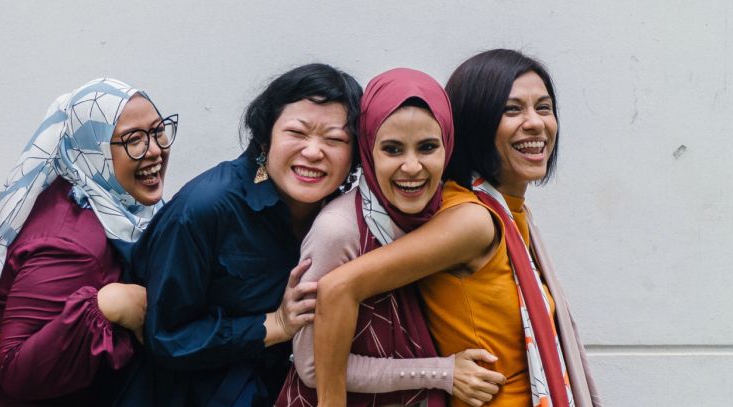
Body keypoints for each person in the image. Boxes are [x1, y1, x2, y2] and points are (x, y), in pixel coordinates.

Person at [312, 50, 602, 407]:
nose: (535, 123)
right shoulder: (473, 220)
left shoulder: (509, 211)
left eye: (543, 107)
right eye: (512, 110)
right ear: (475, 123)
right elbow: (338, 289)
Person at [113, 63, 363, 406]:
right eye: (297, 132)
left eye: (334, 139)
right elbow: (166, 337)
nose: (314, 151)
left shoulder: (344, 214)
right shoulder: (205, 208)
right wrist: (273, 325)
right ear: (265, 136)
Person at [278, 68, 506, 407]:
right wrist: (442, 373)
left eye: (428, 147)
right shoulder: (339, 230)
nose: (412, 167)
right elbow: (313, 367)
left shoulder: (448, 214)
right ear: (369, 150)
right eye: (393, 149)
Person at [0, 78, 176, 406]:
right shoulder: (72, 244)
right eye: (133, 140)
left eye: (158, 131)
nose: (154, 150)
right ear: (92, 148)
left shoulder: (97, 197)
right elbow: (15, 369)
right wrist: (107, 304)